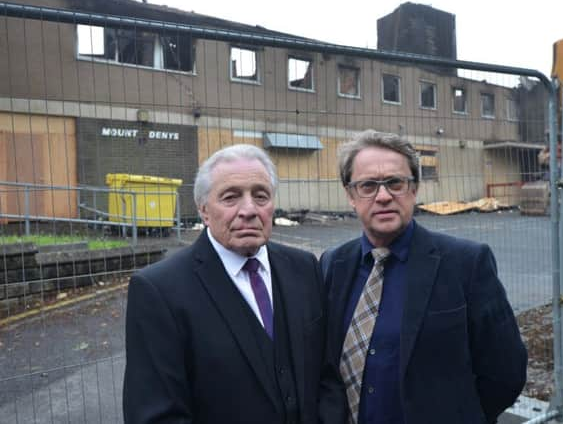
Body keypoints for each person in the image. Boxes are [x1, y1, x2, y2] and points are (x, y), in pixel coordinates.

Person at [123, 144, 346, 424]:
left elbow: (327, 376)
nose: (249, 210)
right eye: (231, 197)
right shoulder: (159, 290)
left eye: (261, 196)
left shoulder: (304, 268)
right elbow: (156, 414)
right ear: (203, 210)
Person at [320, 130, 527, 424]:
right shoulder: (334, 263)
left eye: (395, 183)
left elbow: (506, 371)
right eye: (368, 186)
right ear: (351, 195)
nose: (383, 196)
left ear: (414, 189)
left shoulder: (466, 263)